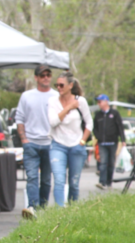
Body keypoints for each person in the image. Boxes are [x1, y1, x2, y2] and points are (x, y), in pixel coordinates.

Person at [15, 64, 58, 219]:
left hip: (50, 144)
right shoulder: (26, 96)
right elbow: (19, 118)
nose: (46, 77)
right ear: (36, 78)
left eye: (48, 75)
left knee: (46, 180)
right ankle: (32, 207)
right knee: (32, 178)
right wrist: (24, 139)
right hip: (31, 144)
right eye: (42, 75)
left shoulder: (56, 95)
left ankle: (42, 209)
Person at [47, 72, 93, 206]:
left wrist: (82, 142)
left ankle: (72, 212)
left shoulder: (81, 101)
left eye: (62, 85)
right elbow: (53, 122)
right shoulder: (52, 101)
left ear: (70, 85)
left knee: (74, 183)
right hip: (58, 145)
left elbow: (89, 123)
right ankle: (60, 214)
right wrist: (69, 107)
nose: (59, 88)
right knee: (59, 180)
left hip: (76, 145)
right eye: (57, 85)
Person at [92, 94, 125, 190]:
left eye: (100, 101)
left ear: (106, 101)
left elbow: (120, 127)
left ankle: (109, 181)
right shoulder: (98, 115)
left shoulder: (114, 113)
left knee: (111, 163)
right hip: (102, 143)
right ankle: (102, 182)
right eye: (97, 102)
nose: (98, 104)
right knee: (103, 162)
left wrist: (123, 140)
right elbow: (95, 128)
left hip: (112, 142)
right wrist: (98, 137)